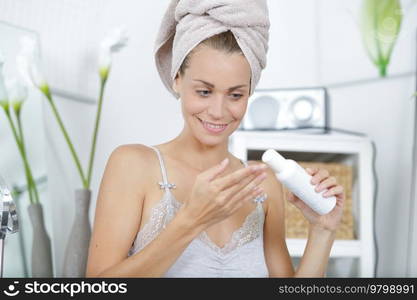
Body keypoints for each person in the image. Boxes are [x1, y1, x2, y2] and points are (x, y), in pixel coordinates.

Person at [86, 0, 345, 278]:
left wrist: (323, 231)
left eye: (235, 95)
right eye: (204, 92)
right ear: (177, 79)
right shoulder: (134, 165)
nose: (218, 112)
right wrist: (190, 220)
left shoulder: (263, 185)